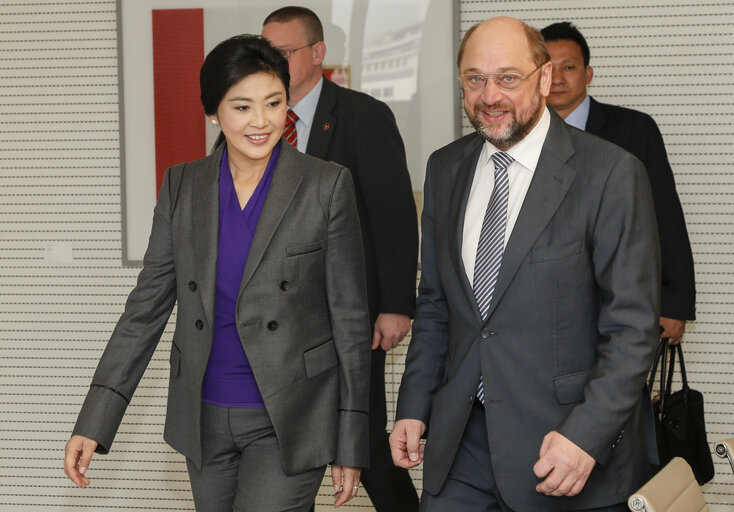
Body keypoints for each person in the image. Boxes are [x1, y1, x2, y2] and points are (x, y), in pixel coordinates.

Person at [63, 34, 371, 512]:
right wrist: (94, 420)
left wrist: (352, 439)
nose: (261, 121)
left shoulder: (325, 184)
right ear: (214, 112)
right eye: (242, 106)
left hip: (291, 418)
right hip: (204, 418)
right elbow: (144, 310)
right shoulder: (183, 185)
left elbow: (350, 321)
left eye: (273, 103)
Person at [389, 17, 661, 511]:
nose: (489, 95)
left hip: (562, 450)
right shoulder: (445, 168)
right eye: (475, 79)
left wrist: (584, 437)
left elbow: (633, 328)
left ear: (543, 77)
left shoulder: (610, 173)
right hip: (458, 449)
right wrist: (414, 406)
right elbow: (435, 304)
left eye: (507, 78)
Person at [262, 7, 420, 512]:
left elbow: (393, 216)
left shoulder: (363, 116)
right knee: (285, 442)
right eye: (267, 52)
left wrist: (396, 304)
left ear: (317, 53)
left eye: (283, 52)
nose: (273, 62)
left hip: (349, 313)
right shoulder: (256, 120)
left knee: (365, 438)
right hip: (278, 322)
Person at [540, 21, 695, 345]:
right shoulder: (518, 137)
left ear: (588, 73)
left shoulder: (634, 129)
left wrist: (674, 302)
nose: (557, 79)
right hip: (542, 310)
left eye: (568, 67)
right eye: (548, 68)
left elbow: (664, 216)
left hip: (621, 305)